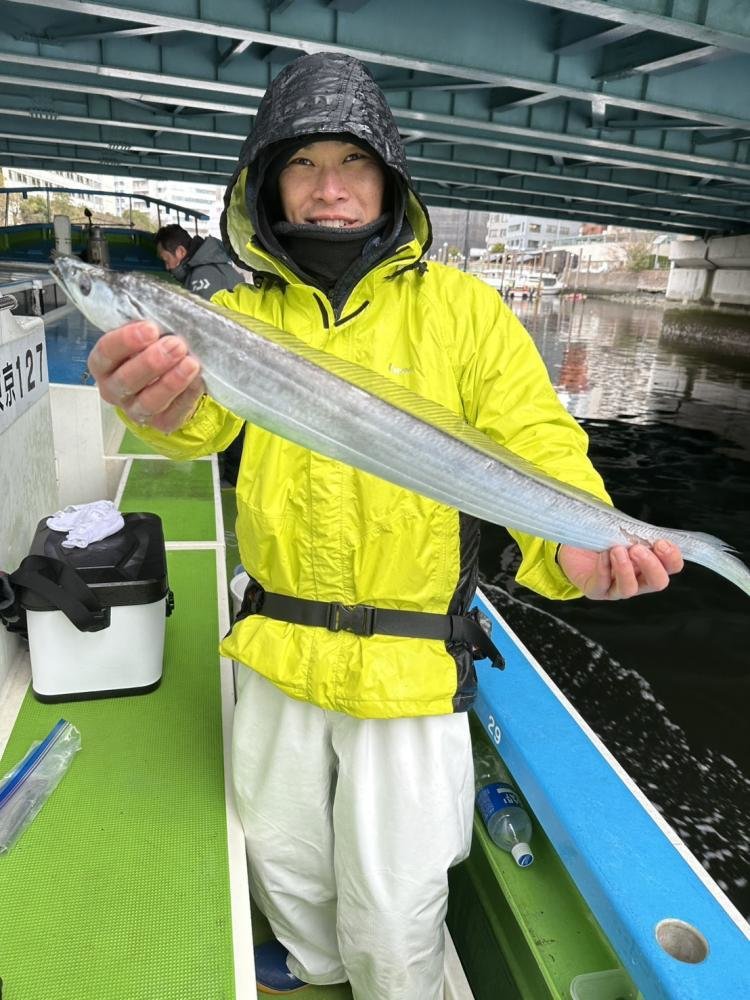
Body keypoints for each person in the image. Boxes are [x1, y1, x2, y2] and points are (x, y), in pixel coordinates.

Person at [87, 53, 684, 999]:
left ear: (391, 179)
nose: (328, 188)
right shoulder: (236, 314)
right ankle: (312, 961)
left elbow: (537, 444)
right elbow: (196, 424)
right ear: (265, 184)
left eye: (353, 162)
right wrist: (149, 405)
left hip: (409, 662)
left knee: (396, 907)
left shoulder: (465, 312)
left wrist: (570, 542)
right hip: (276, 641)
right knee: (282, 853)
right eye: (302, 163)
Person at [154, 223, 245, 484]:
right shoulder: (217, 267)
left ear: (181, 252)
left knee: (232, 425)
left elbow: (201, 332)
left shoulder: (202, 277)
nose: (167, 267)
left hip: (227, 367)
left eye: (167, 260)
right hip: (238, 362)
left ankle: (231, 476)